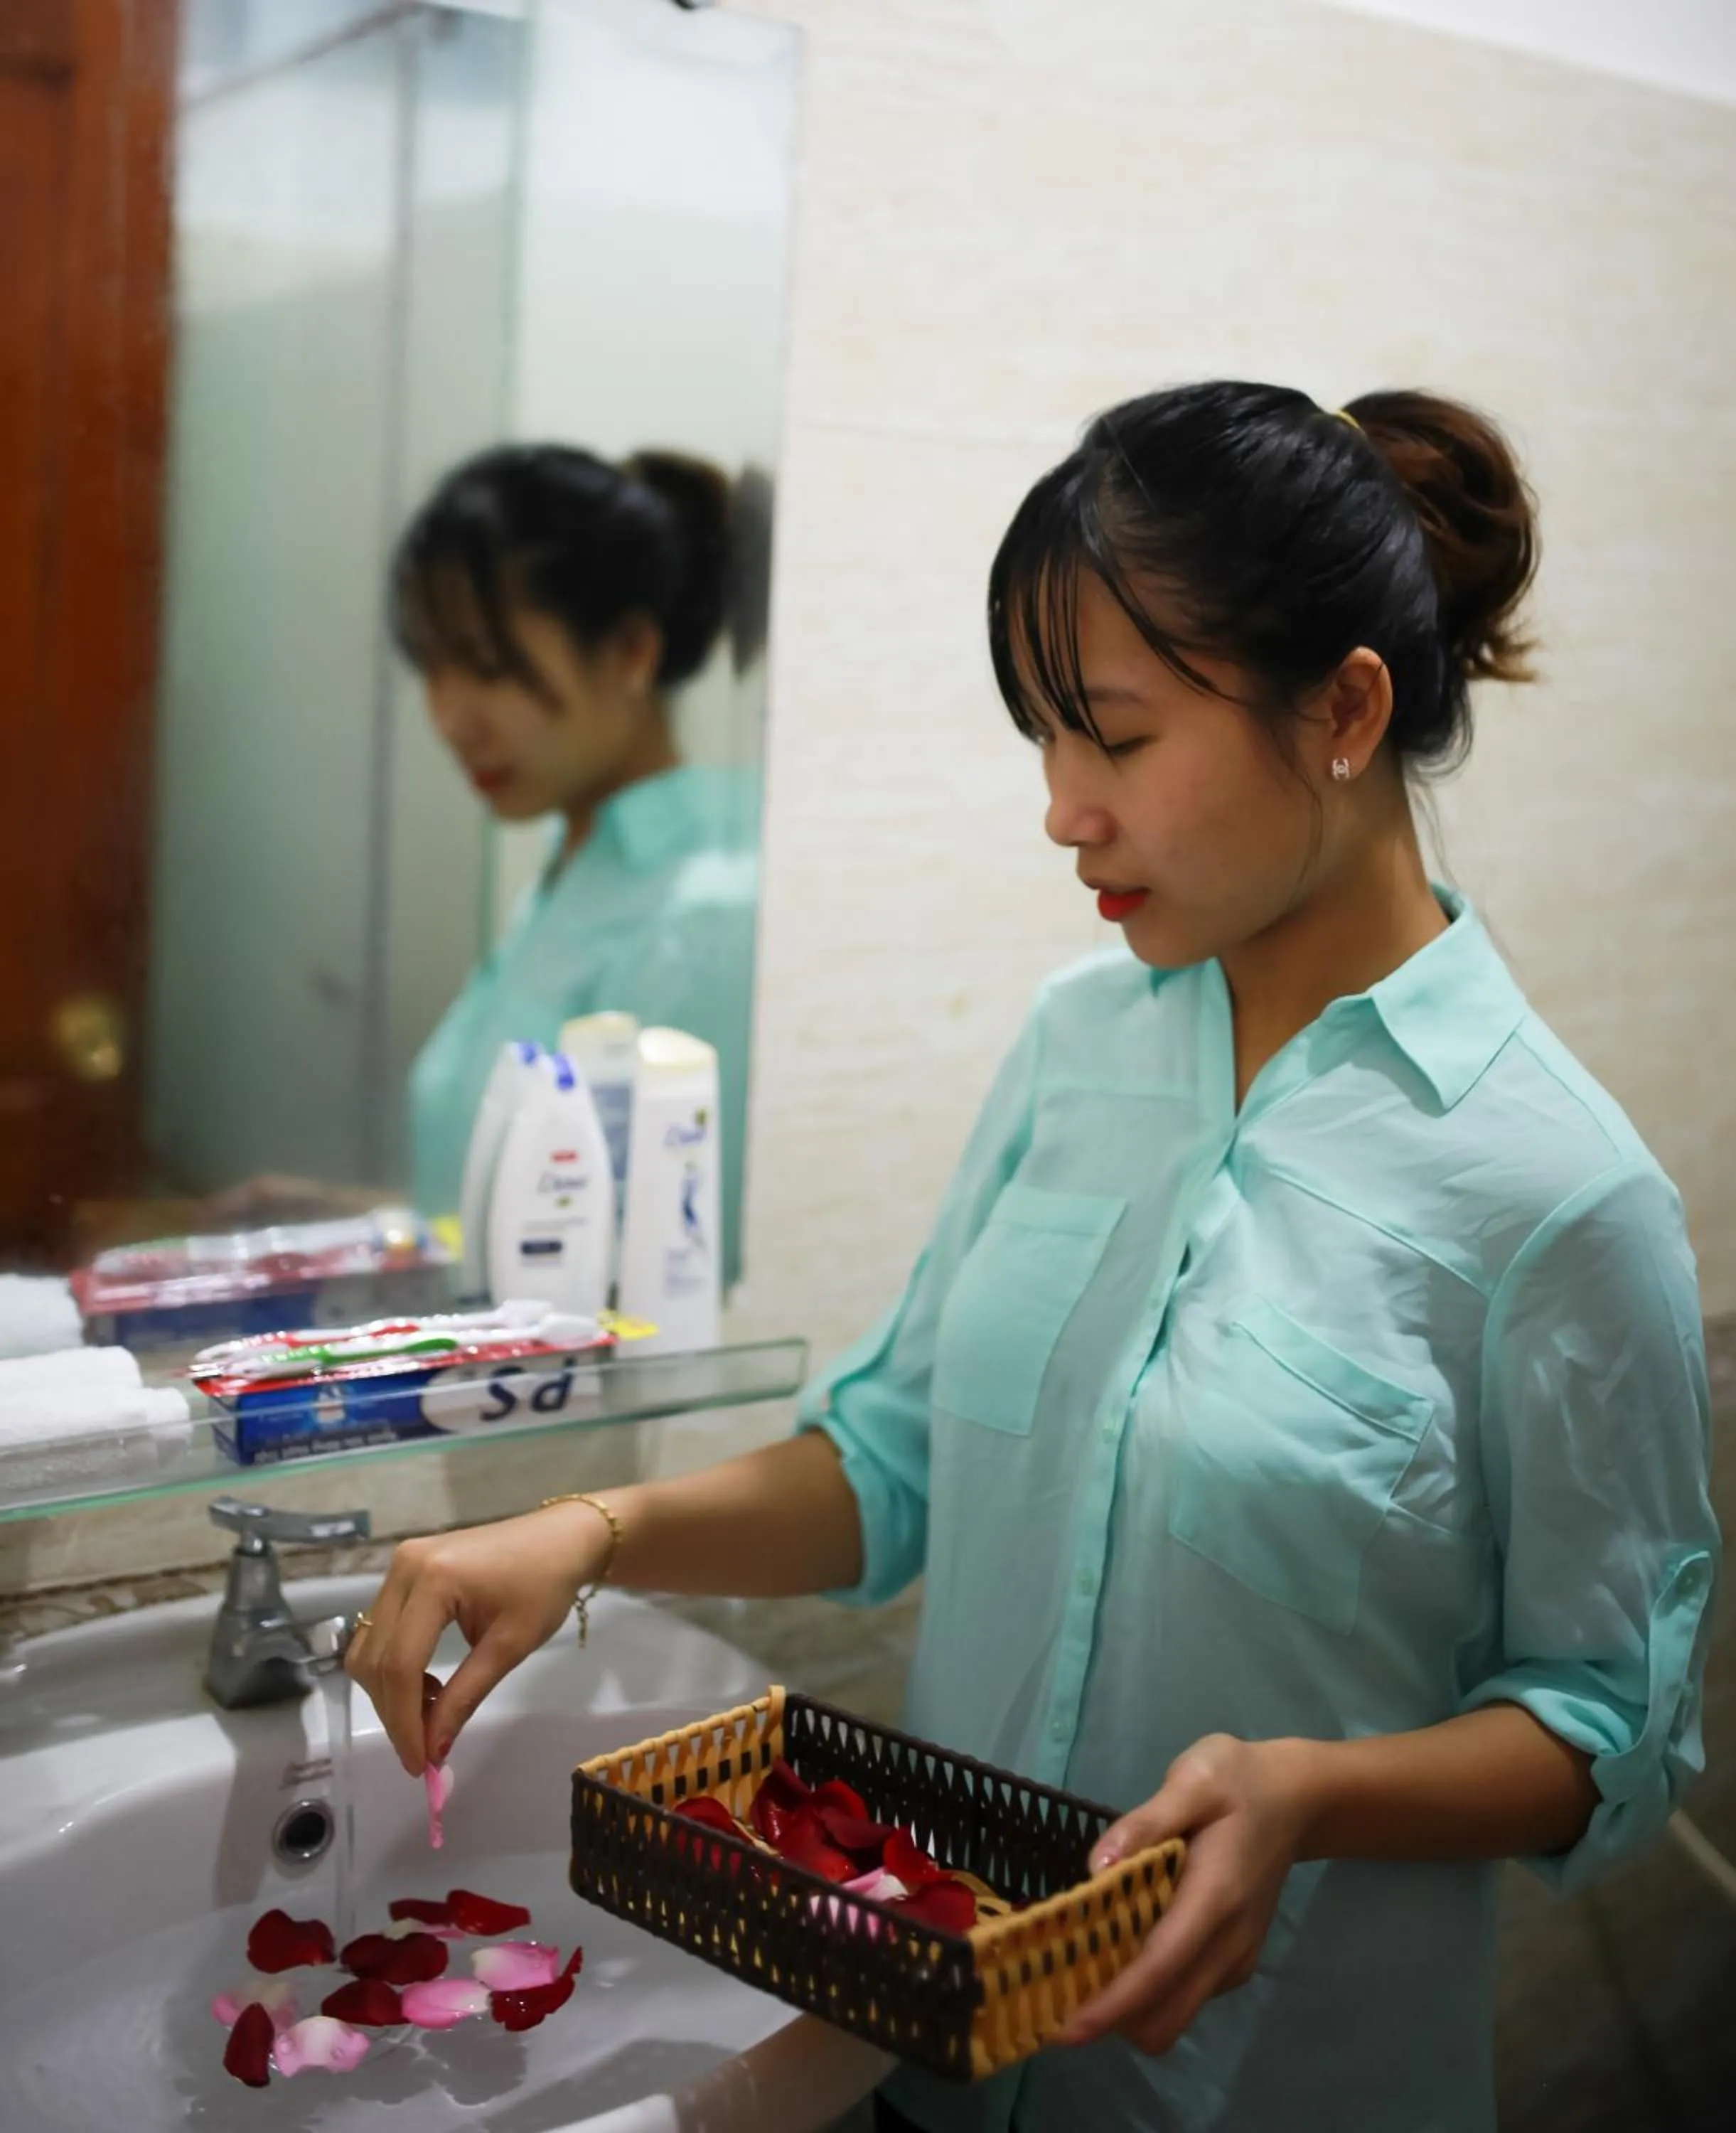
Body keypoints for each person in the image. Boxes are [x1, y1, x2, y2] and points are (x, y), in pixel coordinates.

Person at [345, 383, 1718, 2133]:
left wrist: (1314, 1790)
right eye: (1039, 742)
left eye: (1117, 739)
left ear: (1345, 709)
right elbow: (891, 1459)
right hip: (919, 2061)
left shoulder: (1551, 1190)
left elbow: (1605, 1722)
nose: (1061, 810)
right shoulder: (1078, 1044)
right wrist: (591, 1530)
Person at [395, 444, 760, 1288]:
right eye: (431, 666)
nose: (450, 717)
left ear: (632, 651)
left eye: (487, 667)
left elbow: (670, 1266)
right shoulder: (580, 864)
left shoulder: (703, 909)